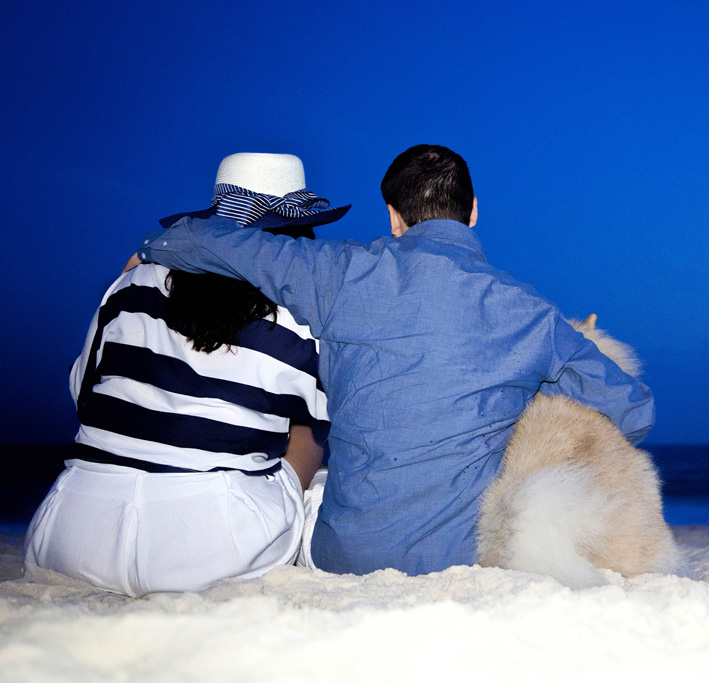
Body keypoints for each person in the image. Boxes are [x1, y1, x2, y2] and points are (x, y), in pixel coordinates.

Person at [133, 144, 655, 576]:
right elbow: (634, 412)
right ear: (473, 210)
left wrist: (149, 251)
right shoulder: (529, 315)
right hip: (455, 562)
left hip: (341, 557)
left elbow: (207, 241)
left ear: (394, 218)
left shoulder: (336, 272)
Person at [25, 153, 342, 596]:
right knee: (314, 426)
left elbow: (82, 395)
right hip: (210, 544)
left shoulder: (131, 283)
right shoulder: (295, 318)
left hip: (73, 534)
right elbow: (332, 425)